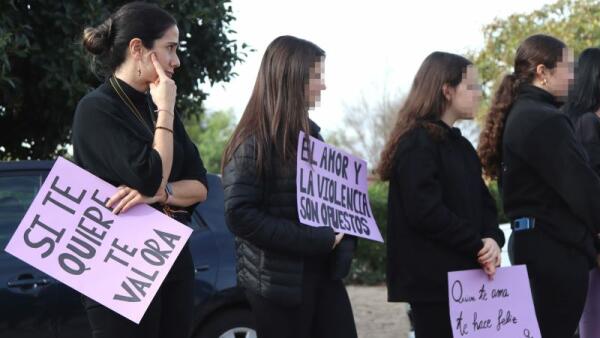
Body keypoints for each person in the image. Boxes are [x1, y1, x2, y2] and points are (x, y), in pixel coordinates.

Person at [72, 2, 208, 338]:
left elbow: (200, 186)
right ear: (138, 48)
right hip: (116, 267)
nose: (176, 62)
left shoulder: (159, 108)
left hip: (171, 260)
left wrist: (161, 195)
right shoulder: (96, 109)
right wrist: (165, 109)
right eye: (170, 49)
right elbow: (152, 174)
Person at [221, 35, 358, 338]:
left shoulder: (313, 139)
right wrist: (317, 240)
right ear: (291, 79)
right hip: (277, 288)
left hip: (323, 278)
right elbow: (240, 215)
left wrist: (346, 230)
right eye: (316, 76)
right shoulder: (251, 142)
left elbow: (328, 208)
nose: (323, 85)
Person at [478, 34, 600, 338]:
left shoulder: (519, 114)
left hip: (533, 244)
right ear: (543, 72)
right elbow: (583, 189)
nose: (573, 78)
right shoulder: (545, 120)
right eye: (567, 69)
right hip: (556, 251)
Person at [378, 51, 504, 338]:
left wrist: (493, 240)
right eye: (472, 86)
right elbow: (425, 211)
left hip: (470, 279)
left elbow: (486, 206)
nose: (479, 94)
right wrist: (477, 244)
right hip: (433, 284)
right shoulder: (416, 142)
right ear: (447, 90)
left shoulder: (462, 147)